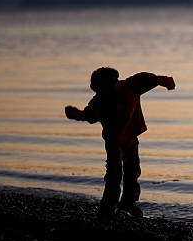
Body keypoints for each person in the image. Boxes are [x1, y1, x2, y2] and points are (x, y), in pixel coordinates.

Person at [65, 67, 175, 218]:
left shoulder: (130, 86)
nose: (104, 92)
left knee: (132, 171)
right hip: (113, 142)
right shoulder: (99, 101)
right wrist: (75, 114)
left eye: (109, 86)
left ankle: (128, 203)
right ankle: (107, 209)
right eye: (100, 90)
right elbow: (89, 116)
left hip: (130, 138)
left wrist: (166, 81)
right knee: (114, 176)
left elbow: (148, 78)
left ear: (115, 82)